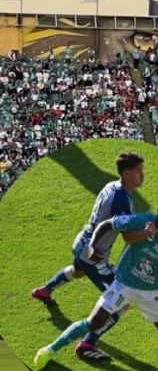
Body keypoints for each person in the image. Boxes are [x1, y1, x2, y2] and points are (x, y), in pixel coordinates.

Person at [33, 201, 158, 370]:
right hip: (123, 285)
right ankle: (49, 350)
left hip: (153, 293)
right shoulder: (142, 220)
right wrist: (93, 246)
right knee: (93, 322)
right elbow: (106, 224)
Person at [32, 152, 147, 360]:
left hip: (81, 243)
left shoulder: (111, 186)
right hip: (94, 256)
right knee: (121, 303)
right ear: (128, 173)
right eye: (140, 172)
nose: (143, 175)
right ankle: (86, 344)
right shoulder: (122, 199)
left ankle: (44, 290)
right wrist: (147, 233)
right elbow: (128, 237)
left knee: (77, 272)